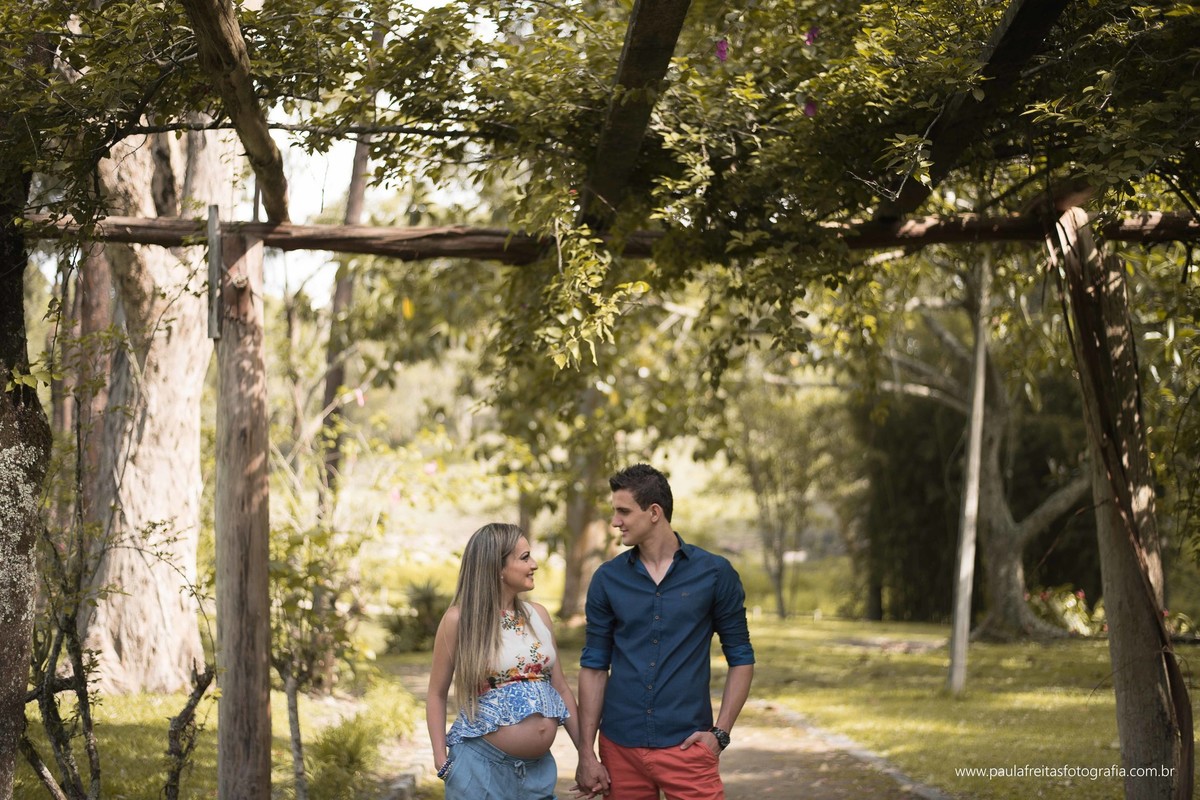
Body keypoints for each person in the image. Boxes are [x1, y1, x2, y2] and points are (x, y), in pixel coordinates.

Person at [574, 464, 755, 800]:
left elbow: (741, 658)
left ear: (654, 512)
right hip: (620, 747)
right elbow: (594, 667)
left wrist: (721, 734)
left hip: (687, 746)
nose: (616, 521)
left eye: (623, 511)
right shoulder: (607, 579)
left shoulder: (715, 574)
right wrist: (587, 752)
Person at [427, 522, 581, 799]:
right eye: (524, 558)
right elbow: (437, 693)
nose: (534, 564)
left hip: (538, 771)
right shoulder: (459, 620)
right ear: (496, 568)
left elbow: (560, 688)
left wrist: (586, 754)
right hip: (480, 769)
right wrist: (440, 757)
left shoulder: (539, 615)